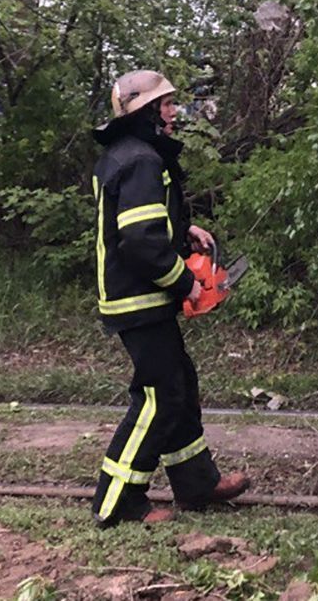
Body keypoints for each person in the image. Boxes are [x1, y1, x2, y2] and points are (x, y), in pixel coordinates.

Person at [89, 70, 250, 526]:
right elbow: (139, 241)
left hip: (138, 297)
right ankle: (118, 503)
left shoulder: (129, 154)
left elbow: (145, 225)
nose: (174, 112)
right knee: (158, 396)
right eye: (166, 105)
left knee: (179, 382)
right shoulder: (142, 160)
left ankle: (196, 483)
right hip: (137, 299)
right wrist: (185, 282)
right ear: (144, 111)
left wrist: (183, 232)